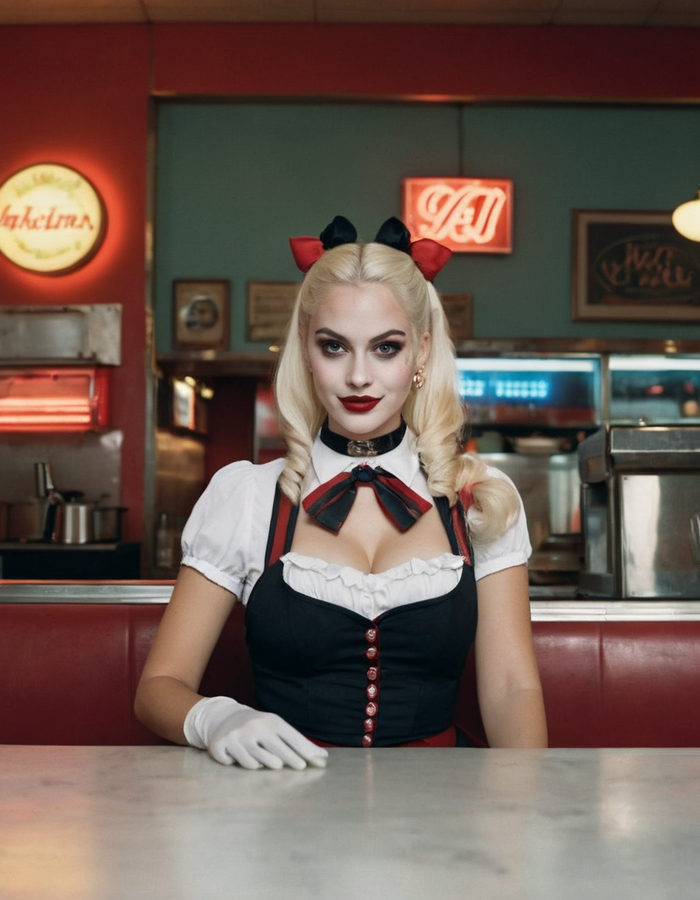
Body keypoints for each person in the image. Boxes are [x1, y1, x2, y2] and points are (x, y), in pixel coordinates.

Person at [135, 215, 547, 769]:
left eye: (386, 348)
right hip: (282, 809)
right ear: (305, 351)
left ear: (421, 352)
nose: (358, 376)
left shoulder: (480, 494)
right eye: (334, 347)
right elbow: (160, 685)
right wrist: (218, 718)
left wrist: (525, 811)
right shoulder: (248, 496)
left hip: (444, 813)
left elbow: (512, 689)